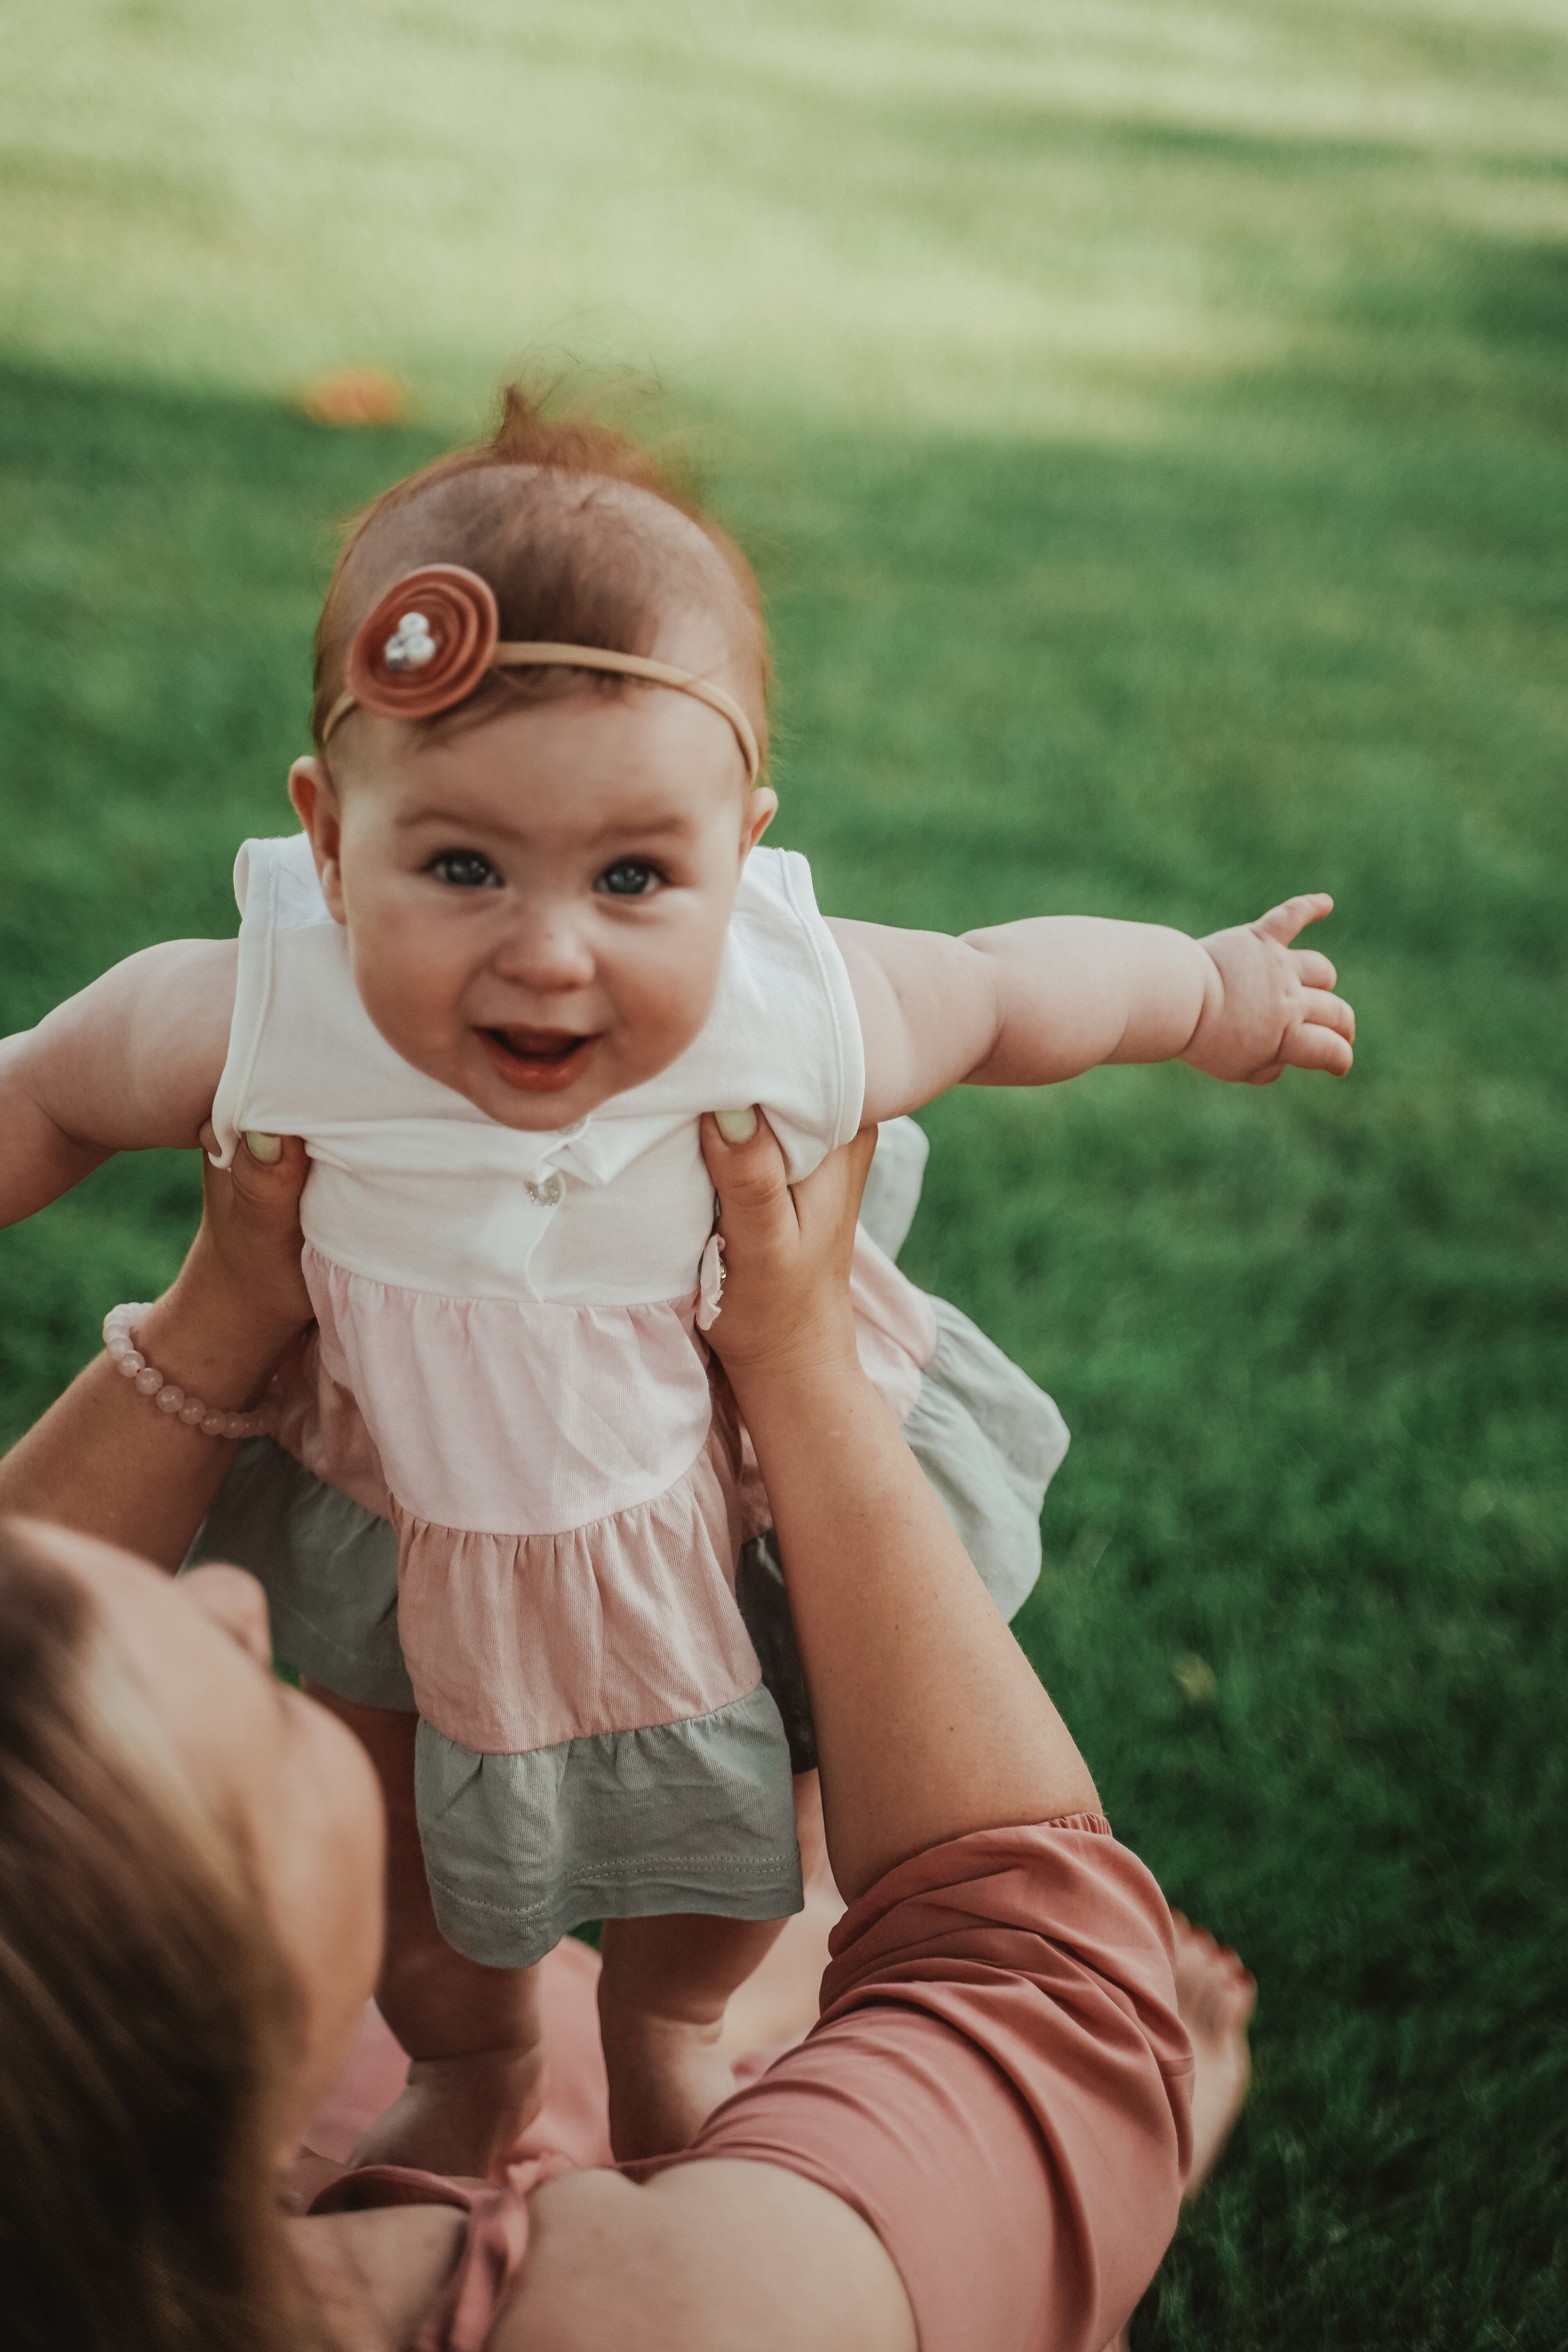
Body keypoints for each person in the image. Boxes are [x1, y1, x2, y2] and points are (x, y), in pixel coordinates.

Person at [0, 388, 1320, 2168]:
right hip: (412, 1508)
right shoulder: (267, 1009)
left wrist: (1208, 991)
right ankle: (469, 2069)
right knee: (401, 1852)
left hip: (706, 1491)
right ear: (328, 837)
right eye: (458, 864)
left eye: (636, 875)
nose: (546, 951)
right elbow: (44, 1094)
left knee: (747, 1827)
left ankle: (674, 2027)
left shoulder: (788, 1000)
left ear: (743, 851)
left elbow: (1014, 995)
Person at [0, 1114, 1254, 2352]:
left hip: (334, 2138)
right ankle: (1132, 2145)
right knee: (989, 2151)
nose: (224, 1595)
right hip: (757, 2280)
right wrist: (802, 1355)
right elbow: (1040, 1977)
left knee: (472, 2028)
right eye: (267, 1727)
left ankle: (750, 1983)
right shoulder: (686, 2315)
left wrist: (217, 1314)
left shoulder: (83, 2171)